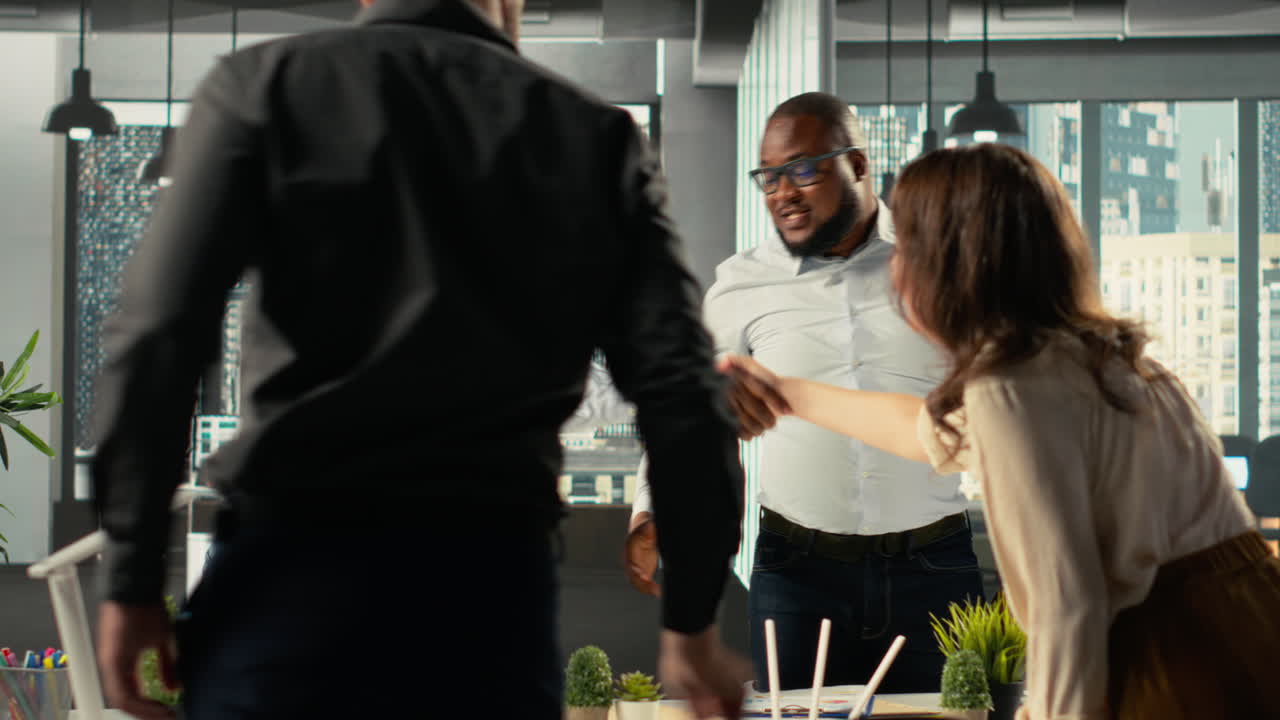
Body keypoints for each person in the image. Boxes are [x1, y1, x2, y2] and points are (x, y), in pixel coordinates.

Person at [90, 1, 749, 719]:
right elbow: (679, 389)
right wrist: (691, 623)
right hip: (486, 602)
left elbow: (158, 332)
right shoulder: (593, 135)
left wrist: (131, 579)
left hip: (288, 581)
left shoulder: (266, 85)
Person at [720, 142, 1280, 719]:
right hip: (1249, 629)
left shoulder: (1010, 390)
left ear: (947, 262)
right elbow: (926, 433)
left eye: (905, 245)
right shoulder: (1098, 358)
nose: (891, 266)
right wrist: (784, 392)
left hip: (1175, 665)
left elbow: (1067, 609)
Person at [625, 92, 984, 693]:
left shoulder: (939, 264)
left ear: (859, 165)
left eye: (802, 170)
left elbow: (991, 399)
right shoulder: (742, 285)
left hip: (935, 566)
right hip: (797, 573)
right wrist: (656, 509)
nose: (782, 193)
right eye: (768, 177)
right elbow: (692, 407)